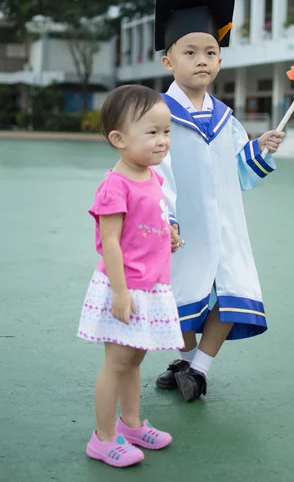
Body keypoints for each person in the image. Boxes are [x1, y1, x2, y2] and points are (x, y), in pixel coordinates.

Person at [153, 0, 284, 402]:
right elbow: (152, 172)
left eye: (210, 52)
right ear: (168, 62)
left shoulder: (226, 118)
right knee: (178, 299)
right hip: (180, 228)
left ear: (221, 61)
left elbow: (239, 170)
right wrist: (165, 219)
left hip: (226, 226)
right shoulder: (158, 115)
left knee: (234, 290)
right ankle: (187, 360)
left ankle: (199, 370)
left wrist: (259, 147)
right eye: (189, 52)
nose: (202, 60)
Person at [77, 85, 184, 468]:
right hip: (126, 288)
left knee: (135, 360)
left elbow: (146, 223)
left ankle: (132, 424)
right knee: (117, 363)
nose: (162, 141)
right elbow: (110, 242)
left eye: (166, 131)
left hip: (152, 284)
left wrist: (167, 234)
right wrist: (121, 294)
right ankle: (103, 438)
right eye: (152, 132)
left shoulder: (151, 177)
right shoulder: (115, 185)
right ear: (118, 139)